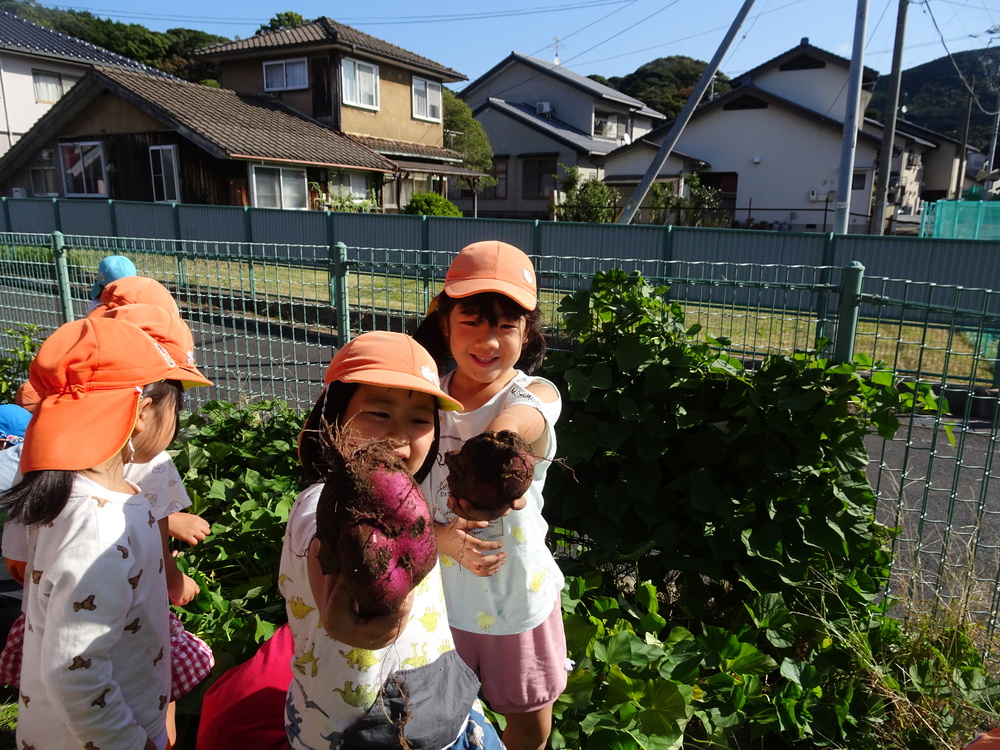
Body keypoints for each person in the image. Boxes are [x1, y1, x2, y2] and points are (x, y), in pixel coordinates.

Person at [279, 330, 505, 750]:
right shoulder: (323, 501)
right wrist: (342, 611)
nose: (400, 432)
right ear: (333, 416)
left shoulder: (409, 496)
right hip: (354, 729)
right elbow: (325, 539)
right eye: (379, 413)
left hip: (435, 697)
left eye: (420, 420)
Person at [0, 316, 197, 750]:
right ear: (142, 413)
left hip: (78, 722)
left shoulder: (72, 490)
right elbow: (75, 673)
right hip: (100, 735)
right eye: (176, 405)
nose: (179, 417)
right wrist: (130, 743)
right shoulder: (97, 528)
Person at [414, 240, 567, 750]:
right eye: (472, 321)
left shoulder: (535, 392)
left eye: (505, 325)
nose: (489, 339)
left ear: (527, 331)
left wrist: (494, 455)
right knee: (440, 712)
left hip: (514, 598)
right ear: (445, 324)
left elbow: (523, 418)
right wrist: (441, 537)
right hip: (439, 600)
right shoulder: (422, 397)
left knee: (527, 714)